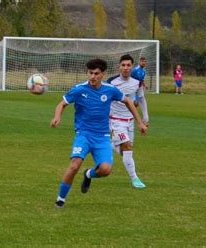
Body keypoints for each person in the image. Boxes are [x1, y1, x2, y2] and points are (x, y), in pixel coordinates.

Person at [52, 58, 148, 208]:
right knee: (74, 165)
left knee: (105, 170)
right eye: (90, 73)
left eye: (96, 74)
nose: (92, 77)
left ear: (103, 74)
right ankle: (60, 199)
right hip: (83, 135)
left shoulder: (110, 90)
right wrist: (57, 117)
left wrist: (140, 122)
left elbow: (128, 101)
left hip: (102, 137)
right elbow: (62, 104)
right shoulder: (79, 89)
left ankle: (89, 174)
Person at [108, 54, 150, 189]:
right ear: (119, 66)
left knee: (126, 151)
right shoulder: (111, 82)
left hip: (130, 121)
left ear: (132, 67)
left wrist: (145, 118)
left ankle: (111, 146)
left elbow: (141, 99)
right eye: (123, 65)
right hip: (115, 121)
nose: (126, 68)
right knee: (127, 147)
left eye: (128, 65)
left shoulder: (136, 82)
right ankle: (135, 178)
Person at [130, 57, 150, 124]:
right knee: (134, 103)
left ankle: (145, 118)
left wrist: (145, 85)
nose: (144, 63)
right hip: (133, 88)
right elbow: (129, 78)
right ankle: (131, 117)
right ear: (139, 62)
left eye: (145, 61)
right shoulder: (135, 70)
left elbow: (142, 80)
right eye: (142, 61)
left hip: (139, 87)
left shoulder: (144, 71)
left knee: (142, 99)